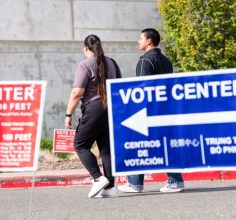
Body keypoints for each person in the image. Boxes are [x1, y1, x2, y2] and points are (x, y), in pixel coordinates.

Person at [118, 28, 185, 193]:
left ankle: (135, 183)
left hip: (148, 113)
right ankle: (175, 181)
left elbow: (143, 91)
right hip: (166, 110)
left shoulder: (145, 61)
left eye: (140, 38)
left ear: (149, 41)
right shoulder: (166, 61)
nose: (138, 42)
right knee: (166, 146)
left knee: (137, 145)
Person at [65, 34, 119, 198]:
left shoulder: (84, 65)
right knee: (106, 148)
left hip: (94, 108)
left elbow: (77, 92)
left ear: (85, 48)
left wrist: (69, 114)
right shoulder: (111, 62)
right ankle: (110, 187)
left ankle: (97, 178)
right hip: (111, 107)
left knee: (80, 144)